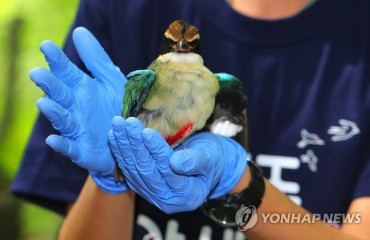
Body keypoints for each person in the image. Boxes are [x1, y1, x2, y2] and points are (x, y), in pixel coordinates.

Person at [11, 0, 370, 239]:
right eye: (172, 45)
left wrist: (240, 186)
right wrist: (111, 180)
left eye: (190, 46)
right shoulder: (125, 9)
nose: (180, 51)